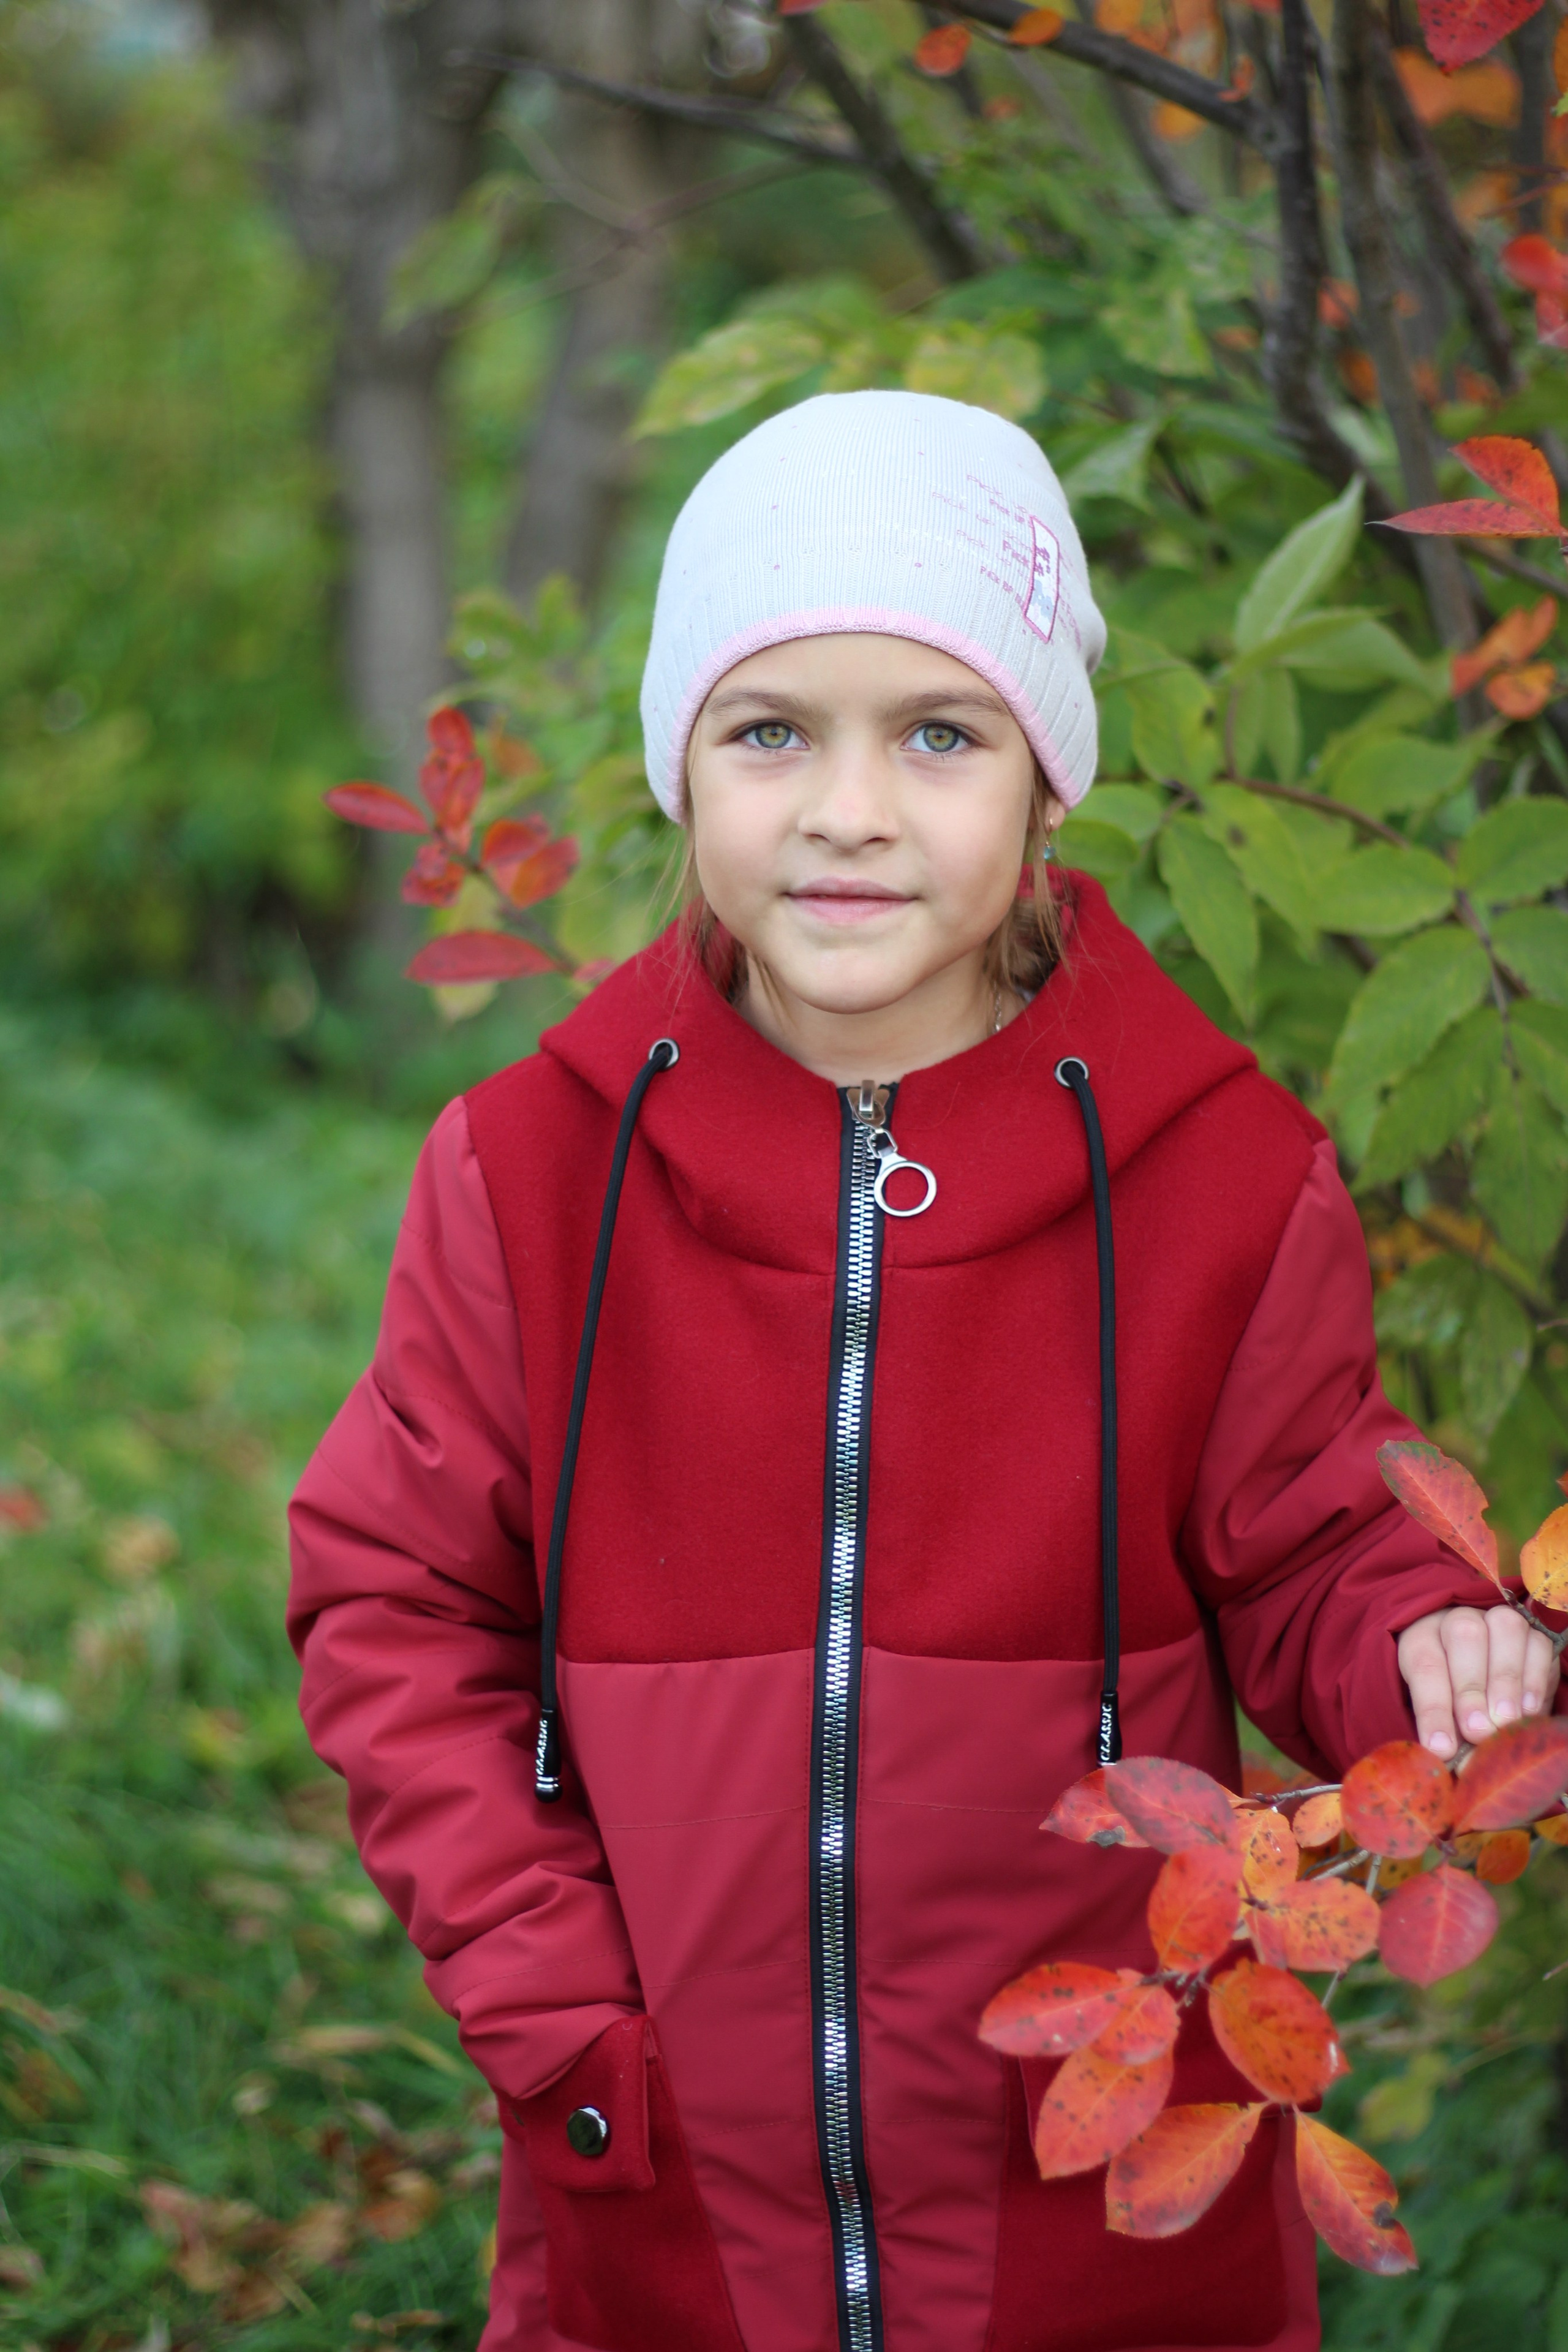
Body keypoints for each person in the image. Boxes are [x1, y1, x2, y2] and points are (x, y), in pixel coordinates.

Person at [288, 392, 1557, 2352]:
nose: (849, 806)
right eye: (771, 728)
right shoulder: (534, 1178)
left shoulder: (1221, 1175)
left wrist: (1420, 1646)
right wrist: (554, 2000)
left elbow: (1307, 1543)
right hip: (668, 2206)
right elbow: (398, 1601)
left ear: (1048, 780)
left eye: (939, 733)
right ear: (680, 769)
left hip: (1102, 2193)